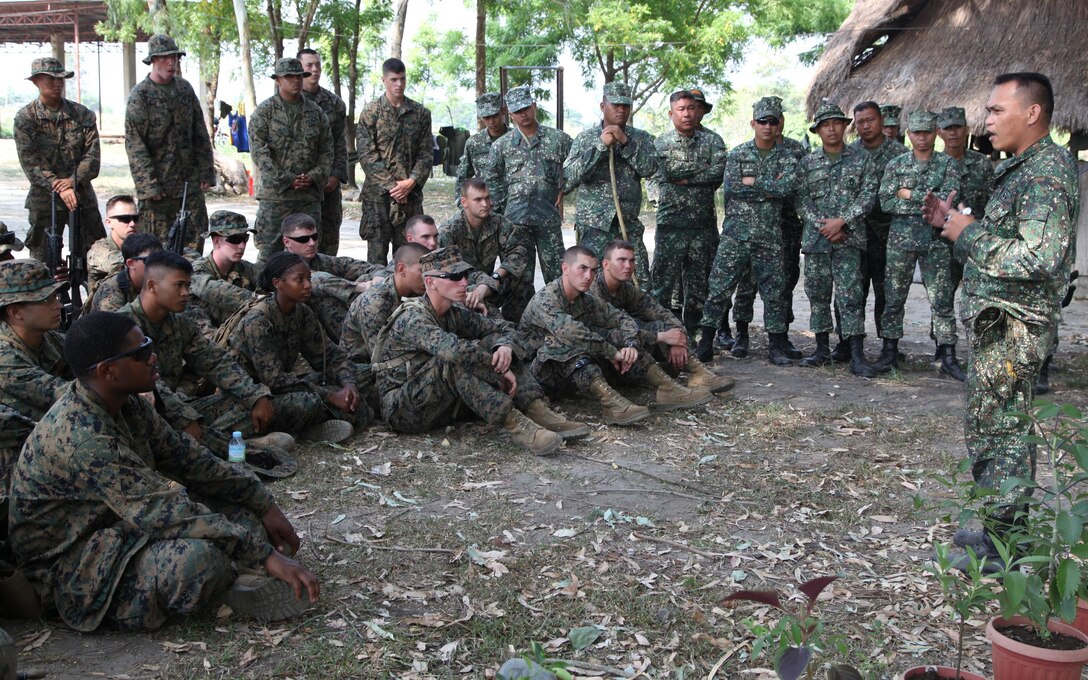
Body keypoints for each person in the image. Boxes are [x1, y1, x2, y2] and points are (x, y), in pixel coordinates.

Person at [8, 311, 319, 631]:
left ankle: (237, 574)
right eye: (141, 353)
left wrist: (260, 499)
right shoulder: (83, 437)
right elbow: (160, 509)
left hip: (114, 527)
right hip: (73, 565)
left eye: (149, 345)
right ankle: (232, 576)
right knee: (199, 562)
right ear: (108, 371)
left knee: (244, 516)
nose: (153, 357)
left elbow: (190, 461)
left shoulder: (127, 404)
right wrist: (264, 554)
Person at [923, 73, 1078, 563]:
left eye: (995, 111)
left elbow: (1037, 257)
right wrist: (954, 222)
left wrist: (965, 233)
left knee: (1004, 428)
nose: (986, 121)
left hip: (1017, 323)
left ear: (1032, 113)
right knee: (992, 424)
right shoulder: (1022, 167)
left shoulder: (1046, 172)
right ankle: (999, 523)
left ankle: (1004, 542)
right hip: (998, 320)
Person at [374, 247, 586, 453]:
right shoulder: (413, 318)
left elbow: (504, 327)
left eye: (465, 275)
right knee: (454, 360)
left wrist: (505, 346)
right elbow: (456, 352)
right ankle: (518, 426)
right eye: (454, 277)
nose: (464, 283)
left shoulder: (453, 313)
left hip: (438, 402)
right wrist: (499, 371)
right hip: (403, 409)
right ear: (430, 282)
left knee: (495, 342)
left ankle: (537, 409)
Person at [119, 251, 295, 458]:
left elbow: (215, 362)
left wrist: (254, 396)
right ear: (152, 286)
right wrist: (185, 418)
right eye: (179, 285)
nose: (186, 292)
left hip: (176, 408)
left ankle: (214, 442)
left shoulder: (180, 324)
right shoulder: (122, 328)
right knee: (167, 427)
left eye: (188, 285)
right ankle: (234, 445)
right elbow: (151, 387)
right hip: (139, 414)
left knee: (254, 405)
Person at [521, 246, 711, 426]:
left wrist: (630, 345)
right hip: (538, 375)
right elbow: (573, 333)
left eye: (593, 271)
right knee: (565, 342)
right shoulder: (547, 300)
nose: (588, 276)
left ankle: (667, 388)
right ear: (566, 268)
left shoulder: (585, 300)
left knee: (617, 337)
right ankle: (610, 401)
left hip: (572, 373)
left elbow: (620, 318)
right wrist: (613, 353)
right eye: (583, 269)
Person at [694, 97, 799, 367]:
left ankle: (776, 346)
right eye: (762, 121)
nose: (767, 126)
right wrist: (767, 186)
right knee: (718, 288)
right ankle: (705, 342)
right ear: (753, 123)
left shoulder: (787, 157)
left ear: (778, 125)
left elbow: (786, 188)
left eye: (772, 121)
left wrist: (753, 182)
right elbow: (733, 188)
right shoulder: (738, 154)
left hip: (769, 236)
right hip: (736, 234)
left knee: (774, 292)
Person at [226, 252, 369, 444]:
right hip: (253, 396)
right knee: (306, 403)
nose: (308, 285)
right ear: (278, 283)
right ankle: (277, 434)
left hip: (283, 388)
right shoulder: (258, 320)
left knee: (361, 399)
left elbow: (329, 355)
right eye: (299, 280)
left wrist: (348, 385)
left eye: (308, 278)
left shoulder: (301, 312)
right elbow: (274, 379)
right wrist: (330, 396)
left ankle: (309, 429)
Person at [874, 111, 963, 379]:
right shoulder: (896, 164)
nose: (921, 137)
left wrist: (908, 193)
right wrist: (925, 201)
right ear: (909, 133)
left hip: (936, 242)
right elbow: (886, 202)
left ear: (935, 132)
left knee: (942, 301)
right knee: (893, 299)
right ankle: (889, 352)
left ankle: (948, 355)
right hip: (901, 241)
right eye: (916, 132)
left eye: (926, 132)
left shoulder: (948, 164)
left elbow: (947, 202)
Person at [794, 102, 879, 378]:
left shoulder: (861, 159)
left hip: (849, 240)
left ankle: (856, 354)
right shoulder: (807, 163)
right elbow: (801, 200)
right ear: (817, 130)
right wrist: (824, 226)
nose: (831, 129)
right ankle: (821, 350)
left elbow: (868, 196)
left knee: (851, 297)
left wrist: (842, 222)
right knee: (818, 295)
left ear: (844, 126)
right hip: (817, 242)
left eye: (836, 123)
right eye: (825, 125)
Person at [593, 240, 733, 394]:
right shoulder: (593, 292)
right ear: (605, 264)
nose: (628, 266)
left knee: (662, 326)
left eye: (632, 260)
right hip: (602, 356)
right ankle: (663, 382)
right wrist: (660, 337)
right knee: (645, 331)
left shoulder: (626, 289)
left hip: (624, 350)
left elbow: (660, 312)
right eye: (621, 260)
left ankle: (699, 373)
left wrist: (677, 338)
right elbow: (609, 333)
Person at [125, 35, 214, 252]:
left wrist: (206, 172)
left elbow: (199, 133)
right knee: (157, 248)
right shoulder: (141, 95)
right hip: (159, 189)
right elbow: (135, 144)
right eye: (165, 58)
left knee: (193, 243)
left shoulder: (184, 90)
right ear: (153, 60)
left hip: (189, 186)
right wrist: (148, 185)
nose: (171, 63)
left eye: (175, 58)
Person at [565, 83, 658, 288]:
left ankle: (639, 321)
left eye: (626, 106)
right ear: (602, 106)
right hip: (594, 227)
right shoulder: (586, 138)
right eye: (615, 105)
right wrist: (600, 147)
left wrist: (626, 143)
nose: (621, 110)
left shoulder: (641, 138)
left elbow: (651, 169)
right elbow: (567, 179)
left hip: (628, 224)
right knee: (589, 283)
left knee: (640, 282)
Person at [14, 57, 105, 263]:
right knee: (43, 262)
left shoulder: (82, 114)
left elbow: (92, 157)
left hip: (81, 196)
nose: (58, 83)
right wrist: (60, 187)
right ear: (37, 81)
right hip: (45, 200)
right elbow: (31, 163)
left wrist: (73, 181)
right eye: (51, 79)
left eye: (61, 79)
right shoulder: (26, 118)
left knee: (96, 257)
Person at [650, 90, 726, 337]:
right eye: (681, 109)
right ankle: (659, 335)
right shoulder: (661, 143)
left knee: (698, 286)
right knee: (662, 284)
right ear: (671, 113)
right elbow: (665, 171)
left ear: (698, 111)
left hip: (702, 226)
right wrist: (701, 170)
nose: (687, 113)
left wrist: (684, 178)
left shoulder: (713, 142)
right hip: (671, 225)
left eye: (691, 108)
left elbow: (718, 173)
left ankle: (693, 336)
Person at [484, 85, 572, 287]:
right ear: (510, 114)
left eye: (526, 108)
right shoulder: (502, 145)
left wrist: (564, 188)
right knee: (518, 278)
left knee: (557, 276)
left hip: (548, 219)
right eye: (517, 111)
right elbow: (492, 179)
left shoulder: (558, 139)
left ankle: (557, 312)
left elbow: (575, 167)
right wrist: (503, 207)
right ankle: (520, 318)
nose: (523, 114)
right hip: (516, 221)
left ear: (534, 106)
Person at [844, 101, 910, 361]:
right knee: (852, 292)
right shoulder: (849, 154)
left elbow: (905, 194)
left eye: (870, 120)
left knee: (887, 293)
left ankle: (889, 347)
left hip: (889, 235)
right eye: (860, 122)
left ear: (882, 121)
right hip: (856, 235)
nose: (865, 126)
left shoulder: (900, 154)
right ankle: (849, 344)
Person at [249, 58, 333, 262]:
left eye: (299, 76)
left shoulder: (316, 113)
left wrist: (313, 177)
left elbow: (326, 150)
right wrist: (286, 179)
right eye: (289, 77)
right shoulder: (265, 112)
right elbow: (260, 153)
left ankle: (309, 292)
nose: (295, 81)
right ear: (278, 79)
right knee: (270, 252)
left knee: (310, 254)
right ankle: (264, 292)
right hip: (276, 197)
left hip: (308, 196)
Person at [0, 261, 72, 484]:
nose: (58, 306)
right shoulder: (4, 357)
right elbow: (63, 394)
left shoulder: (47, 338)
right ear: (15, 312)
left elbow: (90, 359)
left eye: (56, 297)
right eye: (46, 300)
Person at [356, 58, 433, 265]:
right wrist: (393, 187)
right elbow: (366, 155)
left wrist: (411, 182)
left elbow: (426, 154)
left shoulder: (420, 114)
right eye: (393, 79)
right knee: (376, 259)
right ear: (384, 80)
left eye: (402, 79)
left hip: (410, 197)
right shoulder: (371, 112)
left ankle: (409, 297)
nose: (399, 84)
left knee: (410, 256)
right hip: (378, 198)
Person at [279, 213, 383, 342]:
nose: (311, 243)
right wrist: (359, 287)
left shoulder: (320, 260)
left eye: (314, 237)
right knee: (324, 297)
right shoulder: (281, 265)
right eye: (303, 239)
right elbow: (314, 279)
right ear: (286, 242)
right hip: (295, 330)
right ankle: (354, 345)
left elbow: (358, 266)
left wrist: (378, 277)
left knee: (366, 276)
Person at [439, 179, 532, 321]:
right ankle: (492, 325)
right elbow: (447, 273)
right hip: (463, 289)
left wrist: (495, 278)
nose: (485, 204)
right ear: (464, 202)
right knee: (488, 317)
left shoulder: (499, 223)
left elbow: (519, 253)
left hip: (490, 285)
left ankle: (518, 323)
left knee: (522, 275)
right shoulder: (449, 231)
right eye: (478, 199)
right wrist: (480, 286)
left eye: (487, 198)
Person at [341, 243, 427, 367]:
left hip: (395, 357)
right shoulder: (374, 304)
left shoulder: (413, 290)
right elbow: (382, 359)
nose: (427, 277)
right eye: (422, 271)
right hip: (360, 368)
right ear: (402, 269)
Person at [299, 48, 348, 256]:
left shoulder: (334, 103)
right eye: (309, 65)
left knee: (328, 236)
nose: (315, 69)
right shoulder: (287, 101)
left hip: (328, 185)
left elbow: (340, 143)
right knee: (300, 236)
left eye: (318, 65)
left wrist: (336, 174)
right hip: (300, 185)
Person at [190, 211, 261, 329]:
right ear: (216, 241)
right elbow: (216, 291)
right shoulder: (198, 271)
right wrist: (260, 301)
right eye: (235, 239)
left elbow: (269, 285)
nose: (242, 245)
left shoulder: (246, 268)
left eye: (245, 238)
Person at [456, 93, 508, 211]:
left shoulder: (517, 139)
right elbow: (462, 177)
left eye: (495, 115)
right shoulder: (474, 143)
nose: (491, 121)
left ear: (503, 111)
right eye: (486, 117)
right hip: (486, 210)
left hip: (514, 210)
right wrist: (463, 206)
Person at [88, 233, 162, 313]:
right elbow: (115, 324)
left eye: (161, 259)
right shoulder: (110, 292)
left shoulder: (162, 282)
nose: (158, 265)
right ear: (131, 263)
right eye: (150, 260)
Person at [87, 195, 140, 293]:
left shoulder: (140, 245)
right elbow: (127, 264)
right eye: (125, 219)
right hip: (106, 306)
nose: (132, 224)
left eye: (135, 218)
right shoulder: (99, 250)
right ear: (109, 222)